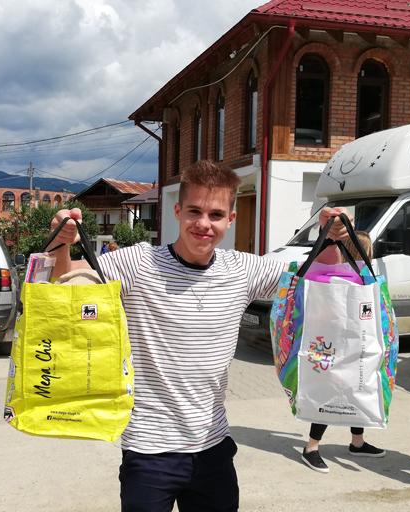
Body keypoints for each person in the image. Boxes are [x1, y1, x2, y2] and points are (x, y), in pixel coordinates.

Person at [48, 160, 350, 511]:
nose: (204, 224)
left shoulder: (243, 269)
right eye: (194, 211)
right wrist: (60, 244)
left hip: (212, 447)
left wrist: (332, 235)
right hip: (148, 450)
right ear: (178, 211)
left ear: (230, 219)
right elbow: (63, 283)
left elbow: (320, 272)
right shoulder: (137, 263)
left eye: (216, 214)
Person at [300, 231, 386, 474]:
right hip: (335, 345)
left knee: (358, 390)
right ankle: (311, 446)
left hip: (353, 344)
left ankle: (357, 442)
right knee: (331, 392)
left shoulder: (358, 276)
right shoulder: (341, 279)